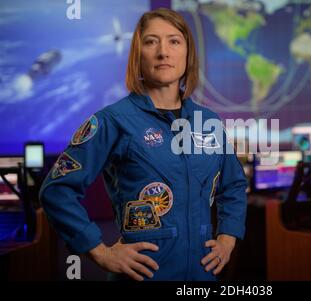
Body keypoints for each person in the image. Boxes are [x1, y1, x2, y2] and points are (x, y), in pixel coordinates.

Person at [39, 8, 248, 281]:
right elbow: (57, 190)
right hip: (143, 275)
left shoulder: (208, 121)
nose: (163, 52)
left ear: (188, 53)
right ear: (139, 54)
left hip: (202, 275)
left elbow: (234, 184)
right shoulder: (113, 121)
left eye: (174, 41)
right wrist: (99, 251)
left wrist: (227, 237)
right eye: (151, 41)